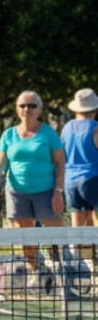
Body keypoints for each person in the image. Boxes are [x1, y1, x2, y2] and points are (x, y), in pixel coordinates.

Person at [0, 91, 65, 288]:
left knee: (56, 235)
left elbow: (60, 163)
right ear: (17, 109)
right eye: (22, 105)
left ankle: (61, 270)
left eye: (32, 105)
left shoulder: (48, 133)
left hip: (46, 190)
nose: (27, 109)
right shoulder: (9, 134)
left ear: (39, 109)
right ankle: (36, 271)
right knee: (25, 235)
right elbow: (2, 164)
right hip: (16, 191)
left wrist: (58, 192)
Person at [61, 88, 98, 272]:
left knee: (78, 222)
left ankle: (78, 263)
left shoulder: (67, 127)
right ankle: (94, 259)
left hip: (70, 181)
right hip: (92, 178)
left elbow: (62, 155)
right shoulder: (95, 128)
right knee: (94, 220)